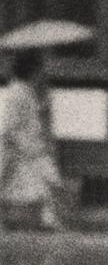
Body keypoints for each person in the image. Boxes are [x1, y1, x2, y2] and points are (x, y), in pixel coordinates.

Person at [0, 49, 62, 231]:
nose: (44, 73)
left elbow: (30, 120)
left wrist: (43, 108)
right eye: (41, 68)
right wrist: (18, 148)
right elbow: (7, 128)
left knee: (47, 186)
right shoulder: (15, 94)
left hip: (30, 151)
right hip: (19, 152)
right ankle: (46, 223)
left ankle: (48, 222)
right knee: (38, 187)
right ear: (34, 70)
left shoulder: (26, 92)